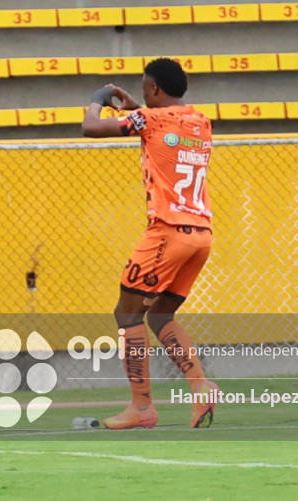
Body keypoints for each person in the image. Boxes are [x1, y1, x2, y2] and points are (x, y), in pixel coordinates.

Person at [82, 58, 220, 429]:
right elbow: (165, 129)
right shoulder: (201, 122)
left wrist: (98, 99)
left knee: (126, 314)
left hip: (167, 230)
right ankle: (200, 385)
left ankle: (142, 407)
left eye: (145, 89)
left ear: (154, 90)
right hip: (201, 234)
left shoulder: (151, 120)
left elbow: (90, 127)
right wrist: (137, 108)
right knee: (160, 315)